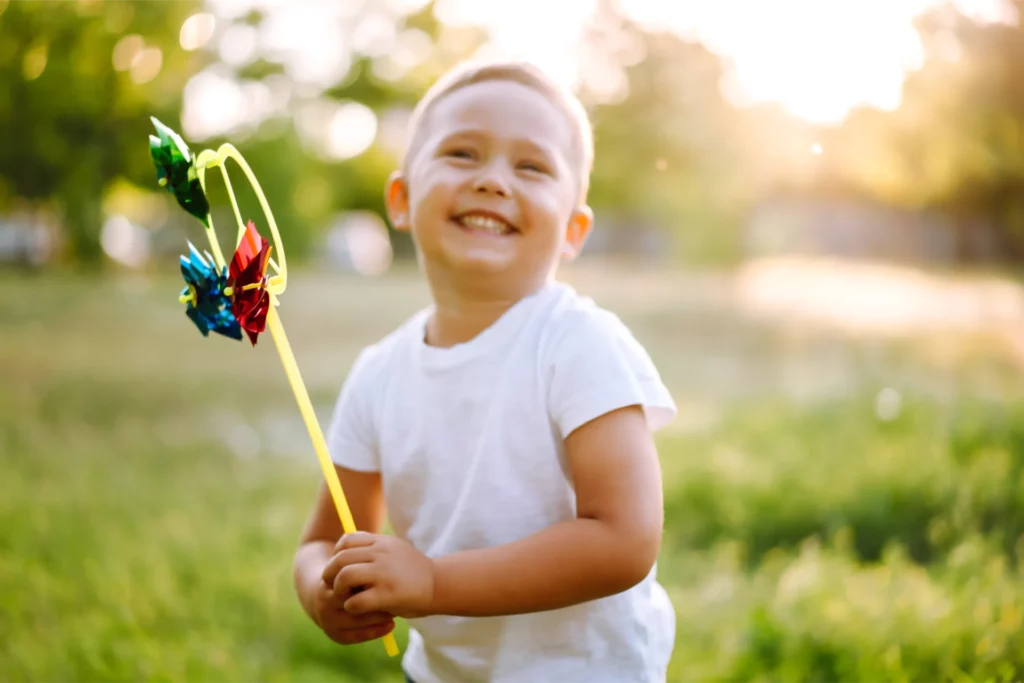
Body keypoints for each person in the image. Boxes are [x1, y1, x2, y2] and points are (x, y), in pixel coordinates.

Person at [292, 59, 678, 683]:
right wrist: (321, 590)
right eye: (463, 153)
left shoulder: (579, 344)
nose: (495, 181)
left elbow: (624, 539)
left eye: (532, 166)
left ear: (573, 231)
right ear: (402, 198)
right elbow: (322, 541)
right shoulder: (379, 373)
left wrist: (436, 581)